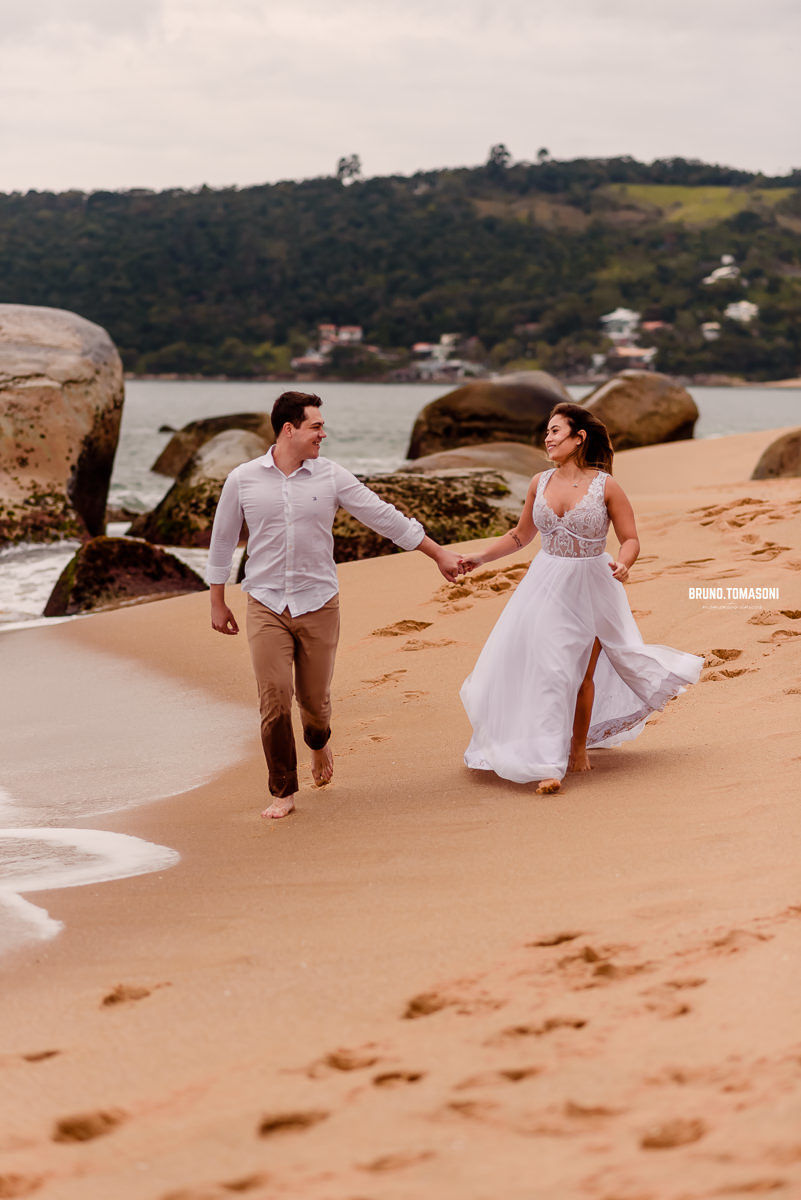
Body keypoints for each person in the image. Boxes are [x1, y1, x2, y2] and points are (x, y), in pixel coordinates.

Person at [206, 391, 462, 819]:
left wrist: (438, 553)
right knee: (274, 697)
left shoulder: (330, 477)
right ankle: (283, 790)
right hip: (265, 603)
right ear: (290, 429)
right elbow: (222, 539)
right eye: (316, 427)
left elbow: (383, 516)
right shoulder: (243, 479)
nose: (323, 434)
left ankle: (319, 742)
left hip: (319, 602)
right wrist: (217, 600)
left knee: (315, 703)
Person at [458, 401, 703, 794]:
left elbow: (631, 539)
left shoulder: (606, 486)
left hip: (591, 585)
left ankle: (575, 749)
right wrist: (480, 557)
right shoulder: (539, 482)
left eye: (555, 431)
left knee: (580, 674)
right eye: (547, 431)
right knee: (548, 668)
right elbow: (521, 536)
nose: (547, 438)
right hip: (544, 582)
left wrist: (624, 564)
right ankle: (546, 762)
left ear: (578, 438)